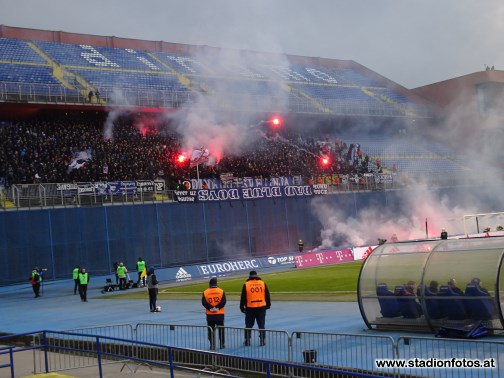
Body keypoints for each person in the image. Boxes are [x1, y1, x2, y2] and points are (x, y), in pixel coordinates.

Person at [240, 270, 271, 346]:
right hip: (261, 307)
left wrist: (241, 307)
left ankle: (247, 340)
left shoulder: (246, 284)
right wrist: (268, 305)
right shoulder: (262, 283)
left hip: (250, 307)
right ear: (257, 276)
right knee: (261, 325)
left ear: (249, 276)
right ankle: (262, 340)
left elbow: (243, 297)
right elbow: (267, 295)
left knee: (248, 325)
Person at [202, 277, 226, 349]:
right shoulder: (221, 291)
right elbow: (223, 302)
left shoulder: (205, 292)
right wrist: (217, 307)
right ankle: (222, 344)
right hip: (219, 314)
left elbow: (204, 302)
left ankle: (212, 345)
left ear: (209, 284)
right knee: (221, 330)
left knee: (210, 330)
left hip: (210, 315)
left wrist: (211, 308)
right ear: (216, 283)